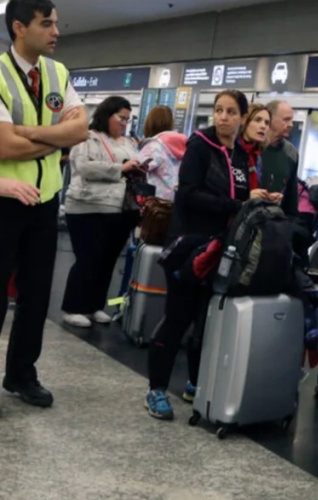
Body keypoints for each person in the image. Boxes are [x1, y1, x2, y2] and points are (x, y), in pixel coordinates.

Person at [0, 0, 88, 408]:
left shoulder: (58, 73)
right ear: (19, 27)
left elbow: (80, 130)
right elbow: (4, 146)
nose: (56, 32)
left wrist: (26, 133)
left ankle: (21, 374)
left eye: (56, 23)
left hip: (46, 201)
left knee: (36, 295)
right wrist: (54, 138)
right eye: (46, 23)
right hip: (5, 200)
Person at [144, 90, 251, 420]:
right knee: (178, 316)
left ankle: (195, 382)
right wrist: (235, 205)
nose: (223, 117)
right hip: (189, 247)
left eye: (230, 111)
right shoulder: (200, 147)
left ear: (242, 117)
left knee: (205, 321)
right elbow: (188, 194)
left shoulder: (241, 155)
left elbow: (241, 194)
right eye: (219, 110)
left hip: (220, 248)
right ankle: (156, 388)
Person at [60, 95, 141, 328]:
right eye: (120, 118)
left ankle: (94, 305)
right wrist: (120, 168)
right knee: (88, 258)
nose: (124, 123)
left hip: (118, 208)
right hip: (86, 206)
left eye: (127, 119)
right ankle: (73, 307)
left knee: (106, 261)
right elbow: (83, 167)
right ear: (107, 115)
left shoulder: (128, 142)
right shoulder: (86, 138)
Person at [137, 105, 187, 202]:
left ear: (150, 123)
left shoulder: (154, 146)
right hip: (178, 200)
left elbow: (136, 168)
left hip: (157, 203)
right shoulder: (184, 144)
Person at [261, 99, 299, 216]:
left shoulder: (291, 153)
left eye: (291, 120)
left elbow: (291, 196)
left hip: (274, 218)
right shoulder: (253, 145)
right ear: (270, 119)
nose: (291, 125)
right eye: (286, 119)